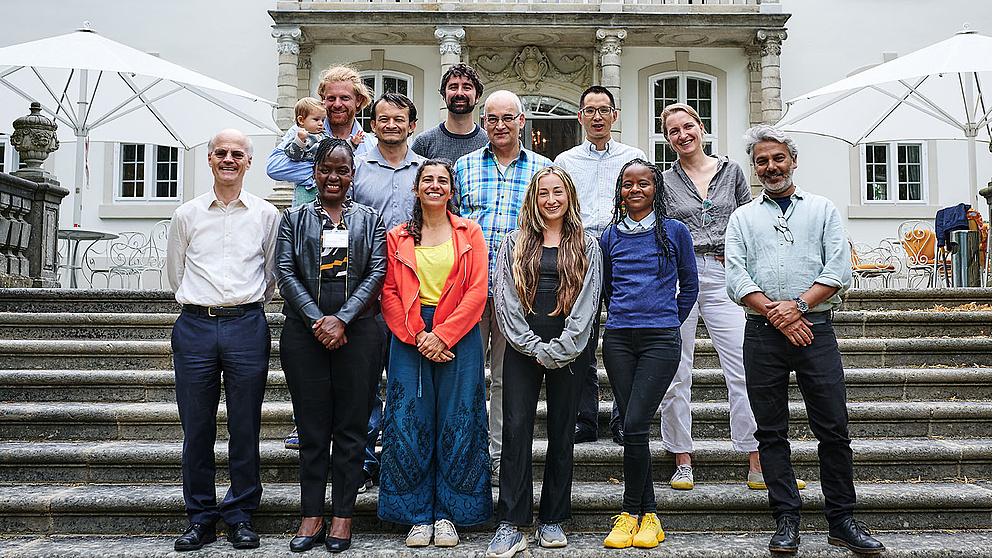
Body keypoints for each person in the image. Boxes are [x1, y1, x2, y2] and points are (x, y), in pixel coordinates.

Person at [725, 125, 884, 555]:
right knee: (771, 432)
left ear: (793, 161)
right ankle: (786, 519)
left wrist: (796, 306)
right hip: (761, 333)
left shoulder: (823, 209)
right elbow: (735, 277)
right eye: (762, 161)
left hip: (816, 330)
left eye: (778, 159)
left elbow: (837, 270)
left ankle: (841, 519)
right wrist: (779, 315)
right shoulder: (742, 217)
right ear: (754, 168)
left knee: (833, 427)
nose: (771, 167)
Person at [167, 129, 279, 552]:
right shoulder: (187, 215)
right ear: (209, 160)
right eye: (221, 153)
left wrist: (242, 308)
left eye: (237, 154)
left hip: (246, 325)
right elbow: (176, 273)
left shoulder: (267, 215)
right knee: (196, 427)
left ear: (249, 162)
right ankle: (200, 517)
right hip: (195, 325)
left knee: (245, 425)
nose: (229, 159)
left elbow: (270, 274)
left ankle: (240, 514)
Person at [276, 137, 387, 553]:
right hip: (304, 335)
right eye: (326, 169)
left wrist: (341, 319)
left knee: (352, 429)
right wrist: (317, 319)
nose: (333, 177)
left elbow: (377, 272)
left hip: (358, 335)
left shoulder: (370, 220)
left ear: (352, 175)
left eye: (342, 170)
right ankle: (311, 515)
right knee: (311, 428)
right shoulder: (293, 218)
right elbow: (285, 273)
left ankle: (342, 516)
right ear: (315, 172)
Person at [485, 166, 602, 558]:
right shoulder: (513, 242)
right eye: (543, 194)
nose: (551, 200)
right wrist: (531, 344)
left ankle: (552, 517)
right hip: (522, 347)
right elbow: (504, 298)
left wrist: (563, 347)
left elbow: (589, 304)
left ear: (569, 196)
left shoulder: (589, 244)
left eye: (558, 192)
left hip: (570, 348)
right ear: (533, 199)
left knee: (562, 431)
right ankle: (512, 522)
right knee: (515, 429)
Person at [378, 159, 492, 548]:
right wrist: (418, 337)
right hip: (409, 335)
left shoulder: (469, 232)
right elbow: (390, 293)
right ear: (416, 188)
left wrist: (442, 335)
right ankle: (415, 516)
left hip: (459, 334)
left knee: (459, 422)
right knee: (409, 422)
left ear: (451, 190)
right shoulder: (397, 237)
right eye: (428, 179)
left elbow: (478, 290)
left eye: (442, 180)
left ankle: (450, 515)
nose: (435, 185)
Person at [658, 102, 765, 491]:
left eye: (688, 126)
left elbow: (746, 219)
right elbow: (663, 230)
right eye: (673, 130)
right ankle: (682, 457)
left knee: (741, 363)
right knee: (676, 369)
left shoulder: (731, 170)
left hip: (725, 274)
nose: (682, 135)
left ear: (700, 127)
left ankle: (756, 457)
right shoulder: (664, 180)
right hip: (681, 277)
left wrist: (739, 258)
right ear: (667, 138)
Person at [454, 90, 553, 486]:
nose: (499, 125)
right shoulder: (463, 167)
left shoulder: (542, 170)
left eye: (507, 118)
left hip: (519, 290)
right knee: (467, 374)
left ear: (522, 120)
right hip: (469, 288)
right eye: (492, 118)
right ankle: (466, 450)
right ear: (484, 121)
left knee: (505, 377)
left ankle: (497, 454)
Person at [599, 159, 697, 550]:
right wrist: (623, 314)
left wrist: (669, 321)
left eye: (643, 183)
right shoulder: (610, 236)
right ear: (620, 191)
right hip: (619, 340)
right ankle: (648, 516)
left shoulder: (674, 232)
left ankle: (631, 511)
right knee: (632, 429)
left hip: (660, 340)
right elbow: (605, 287)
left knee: (636, 423)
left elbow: (689, 286)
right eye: (627, 184)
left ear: (656, 188)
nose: (635, 190)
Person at [555, 85, 645, 446]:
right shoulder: (565, 161)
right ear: (580, 117)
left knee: (624, 335)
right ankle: (584, 419)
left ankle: (624, 418)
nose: (597, 117)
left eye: (603, 110)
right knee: (581, 336)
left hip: (624, 247)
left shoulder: (633, 156)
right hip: (579, 251)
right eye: (589, 110)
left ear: (614, 116)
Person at [351, 92, 425, 493]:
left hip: (414, 292)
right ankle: (364, 462)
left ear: (412, 125)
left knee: (405, 382)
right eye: (383, 119)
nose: (392, 125)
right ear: (373, 123)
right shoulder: (358, 169)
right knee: (364, 382)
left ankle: (400, 459)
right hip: (366, 291)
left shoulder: (425, 172)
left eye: (400, 119)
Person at [268, 65, 375, 206]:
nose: (337, 104)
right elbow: (275, 167)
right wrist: (336, 172)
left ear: (358, 100)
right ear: (323, 100)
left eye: (344, 98)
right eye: (331, 98)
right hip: (308, 222)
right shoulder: (302, 132)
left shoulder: (370, 144)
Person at [411, 62, 489, 162]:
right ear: (443, 95)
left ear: (477, 96)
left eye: (467, 87)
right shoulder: (424, 143)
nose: (460, 93)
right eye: (453, 87)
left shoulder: (489, 143)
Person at [283, 97, 331, 163]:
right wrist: (300, 141)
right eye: (316, 119)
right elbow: (293, 156)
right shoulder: (297, 137)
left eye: (323, 120)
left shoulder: (325, 134)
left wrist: (348, 143)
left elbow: (336, 146)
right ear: (301, 120)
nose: (321, 123)